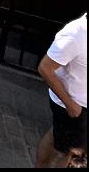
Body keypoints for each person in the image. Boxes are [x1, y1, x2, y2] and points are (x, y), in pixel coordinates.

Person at [37, 13, 87, 167]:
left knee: (57, 136)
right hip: (74, 106)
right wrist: (70, 105)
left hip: (78, 106)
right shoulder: (75, 35)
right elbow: (45, 68)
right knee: (75, 155)